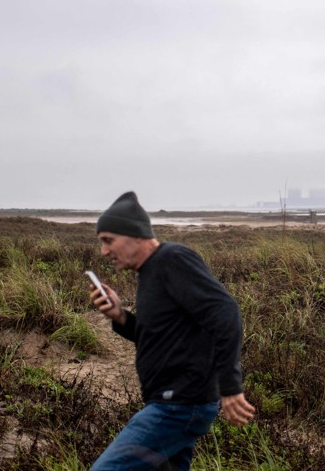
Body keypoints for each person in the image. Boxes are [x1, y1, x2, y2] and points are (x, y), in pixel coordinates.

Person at [88, 191, 255, 470]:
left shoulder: (172, 259)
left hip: (178, 406)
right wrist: (119, 315)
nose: (104, 251)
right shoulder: (150, 272)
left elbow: (226, 313)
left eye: (108, 241)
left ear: (135, 235)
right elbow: (157, 337)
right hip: (176, 404)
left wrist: (230, 386)